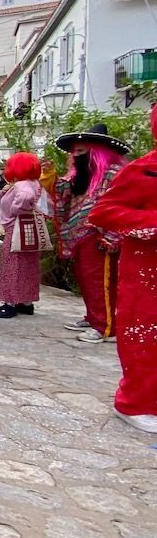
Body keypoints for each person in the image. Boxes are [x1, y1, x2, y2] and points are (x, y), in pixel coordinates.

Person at [88, 104, 157, 433]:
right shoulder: (142, 171)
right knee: (144, 334)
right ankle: (136, 401)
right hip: (146, 270)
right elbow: (103, 211)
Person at [54, 124, 129, 343]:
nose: (76, 155)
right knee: (87, 280)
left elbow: (122, 206)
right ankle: (93, 316)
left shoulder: (114, 175)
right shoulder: (81, 176)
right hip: (81, 235)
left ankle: (104, 326)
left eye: (81, 151)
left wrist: (113, 236)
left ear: (95, 152)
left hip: (100, 235)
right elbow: (65, 198)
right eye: (74, 152)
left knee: (100, 281)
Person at [0, 152, 47, 318]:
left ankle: (9, 302)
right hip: (29, 229)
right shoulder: (35, 183)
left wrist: (18, 208)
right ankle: (26, 301)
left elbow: (25, 198)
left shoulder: (21, 185)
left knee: (12, 265)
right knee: (29, 265)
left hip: (15, 228)